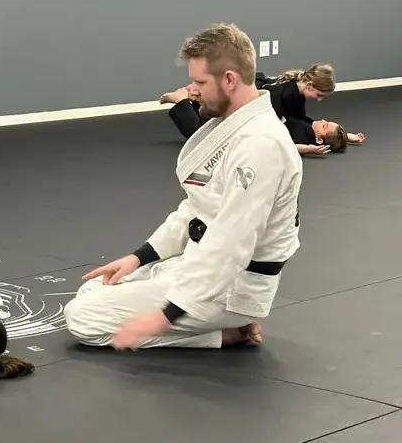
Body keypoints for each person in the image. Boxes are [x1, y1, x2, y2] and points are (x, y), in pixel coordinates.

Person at [64, 23, 303, 350]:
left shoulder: (260, 144)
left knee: (81, 317)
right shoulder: (234, 128)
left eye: (200, 82)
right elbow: (197, 206)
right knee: (96, 287)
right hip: (201, 262)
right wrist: (137, 258)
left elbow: (233, 241)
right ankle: (212, 319)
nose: (191, 90)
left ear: (230, 79)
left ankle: (223, 332)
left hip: (232, 286)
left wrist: (166, 317)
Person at [159, 64, 365, 155]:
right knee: (202, 137)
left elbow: (305, 121)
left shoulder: (295, 91)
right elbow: (270, 138)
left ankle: (192, 98)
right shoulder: (284, 95)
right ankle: (182, 100)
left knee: (209, 124)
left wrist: (346, 136)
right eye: (319, 95)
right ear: (310, 85)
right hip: (240, 104)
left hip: (242, 99)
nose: (319, 101)